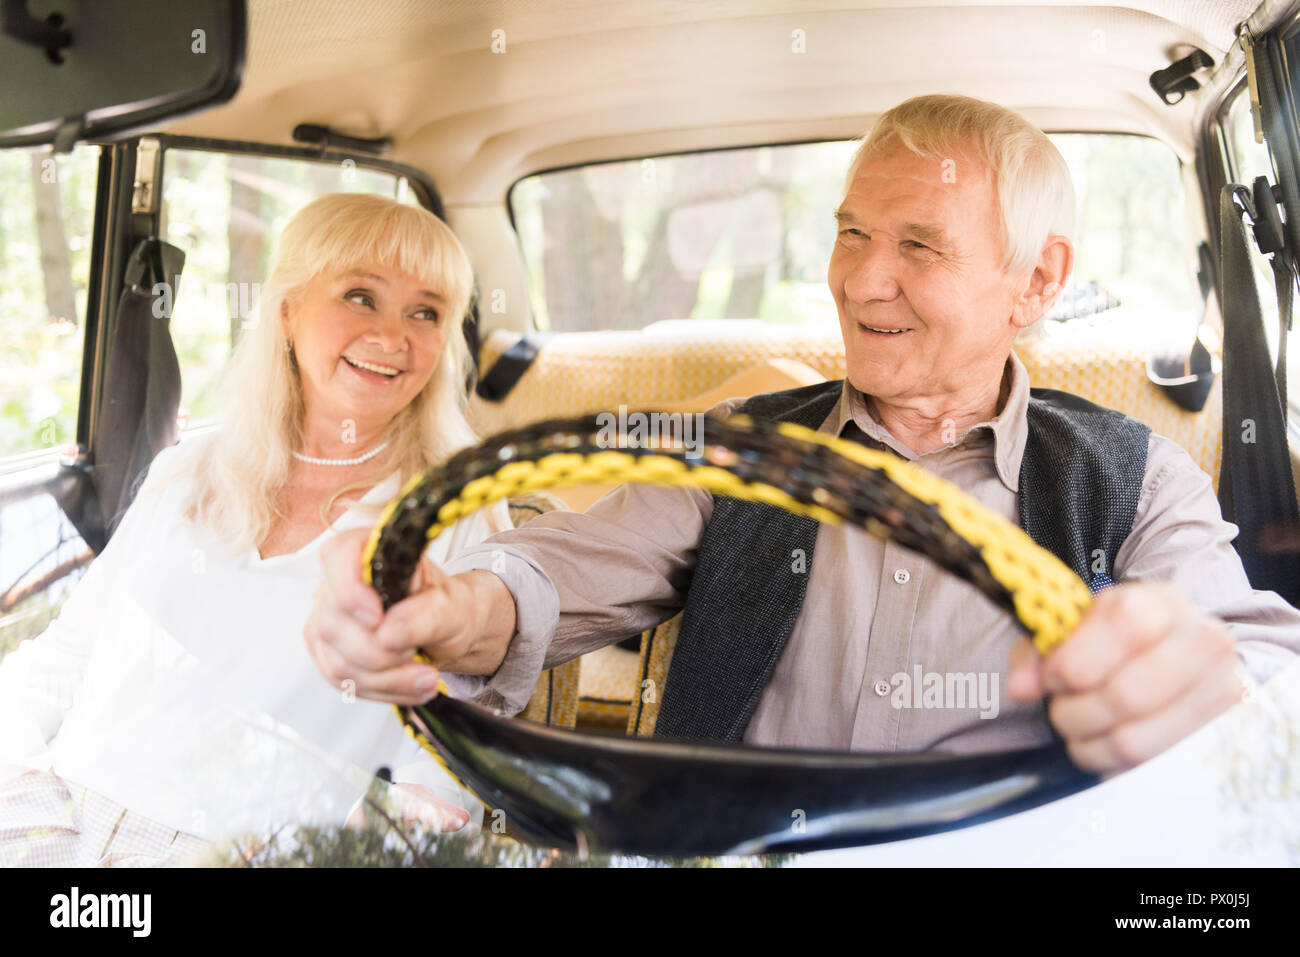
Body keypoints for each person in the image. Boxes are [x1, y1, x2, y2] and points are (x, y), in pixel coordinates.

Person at [304, 95, 1300, 778]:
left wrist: (1206, 687)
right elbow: (553, 576)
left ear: (1035, 282)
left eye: (918, 245)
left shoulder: (1135, 478)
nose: (862, 280)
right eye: (851, 232)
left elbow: (1250, 661)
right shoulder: (737, 448)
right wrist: (451, 607)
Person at [0, 193, 510, 866]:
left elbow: (461, 749)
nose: (393, 337)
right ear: (288, 311)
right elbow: (66, 655)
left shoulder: (459, 512)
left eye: (426, 311)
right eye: (362, 296)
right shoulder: (187, 470)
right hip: (51, 811)